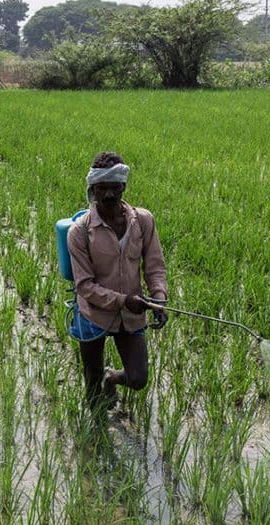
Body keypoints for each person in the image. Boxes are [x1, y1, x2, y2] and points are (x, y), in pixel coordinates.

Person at [67, 151, 168, 413]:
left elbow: (155, 265)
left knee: (138, 378)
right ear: (93, 190)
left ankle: (112, 377)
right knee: (92, 388)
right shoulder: (79, 232)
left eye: (115, 188)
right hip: (94, 314)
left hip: (130, 314)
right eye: (102, 189)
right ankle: (96, 433)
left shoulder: (143, 221)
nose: (109, 195)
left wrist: (158, 297)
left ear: (123, 187)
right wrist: (124, 300)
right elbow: (85, 286)